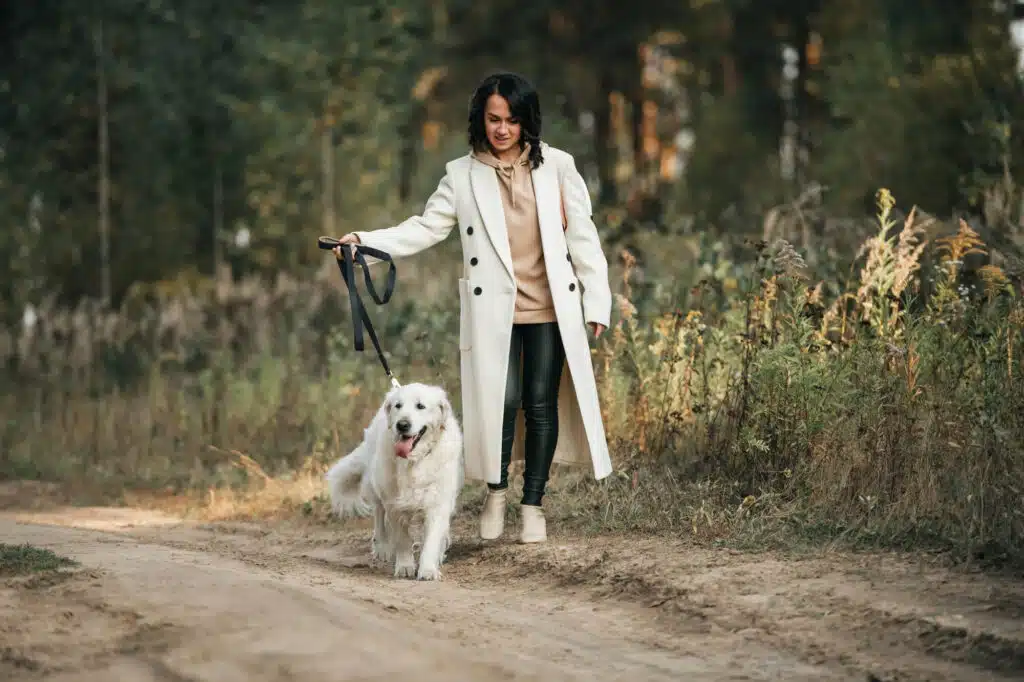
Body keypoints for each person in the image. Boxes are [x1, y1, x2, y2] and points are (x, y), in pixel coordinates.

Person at [332, 71, 613, 544]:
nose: (501, 129)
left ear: (527, 122)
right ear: (480, 120)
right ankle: (497, 493)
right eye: (493, 119)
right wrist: (365, 242)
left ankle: (533, 506)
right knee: (499, 402)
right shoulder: (460, 176)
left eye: (511, 121)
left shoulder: (559, 167)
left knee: (541, 404)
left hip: (550, 306)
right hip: (493, 313)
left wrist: (596, 299)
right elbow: (423, 227)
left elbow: (582, 235)